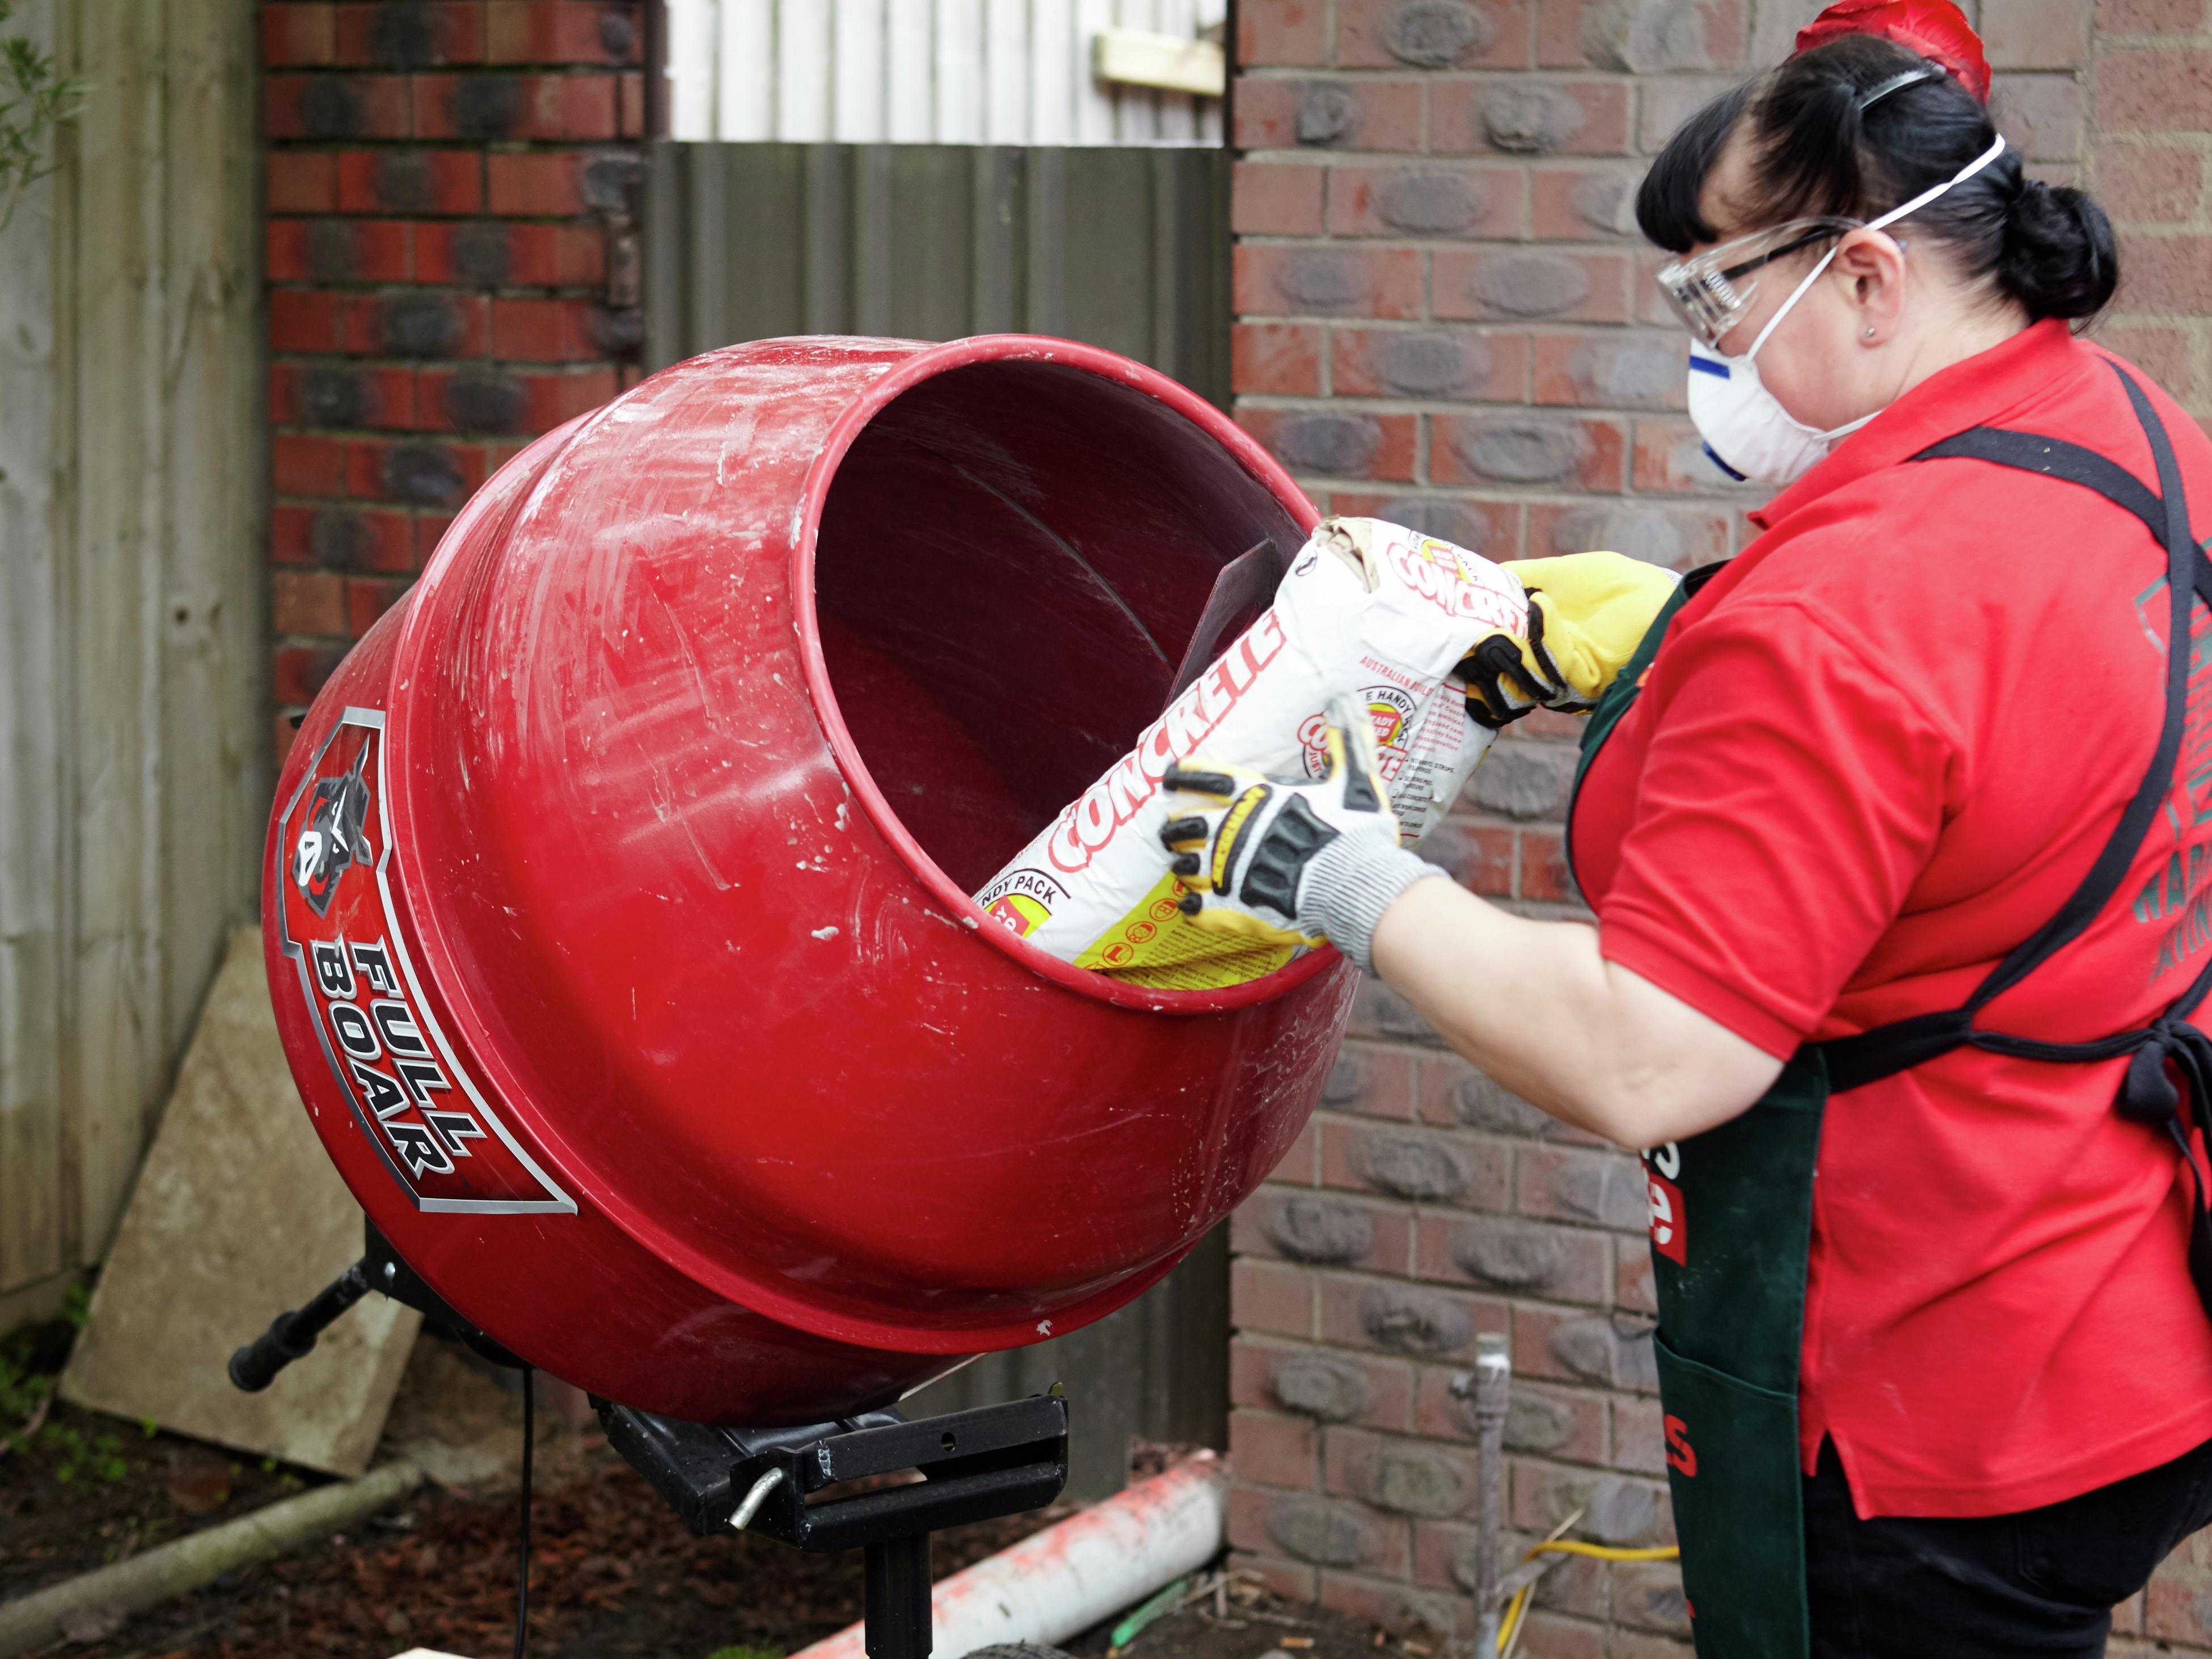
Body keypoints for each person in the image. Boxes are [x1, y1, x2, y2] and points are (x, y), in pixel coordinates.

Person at [1159, 2, 2212, 1654]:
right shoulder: (2131, 436)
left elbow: (1654, 1061)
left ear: (1864, 277)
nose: (1699, 345)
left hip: (1926, 1396)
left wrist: (1325, 868)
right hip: (2134, 1296)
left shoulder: (1837, 609)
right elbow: (2001, 739)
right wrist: (1672, 639)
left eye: (1712, 291)